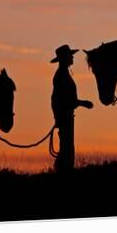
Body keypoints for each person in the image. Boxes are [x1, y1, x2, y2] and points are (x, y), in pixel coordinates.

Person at [50, 44, 94, 174]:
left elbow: (57, 99)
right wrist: (83, 103)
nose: (72, 57)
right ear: (65, 58)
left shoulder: (62, 74)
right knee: (67, 148)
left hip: (65, 115)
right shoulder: (61, 76)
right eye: (70, 55)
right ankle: (64, 172)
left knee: (66, 146)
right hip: (65, 116)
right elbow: (63, 100)